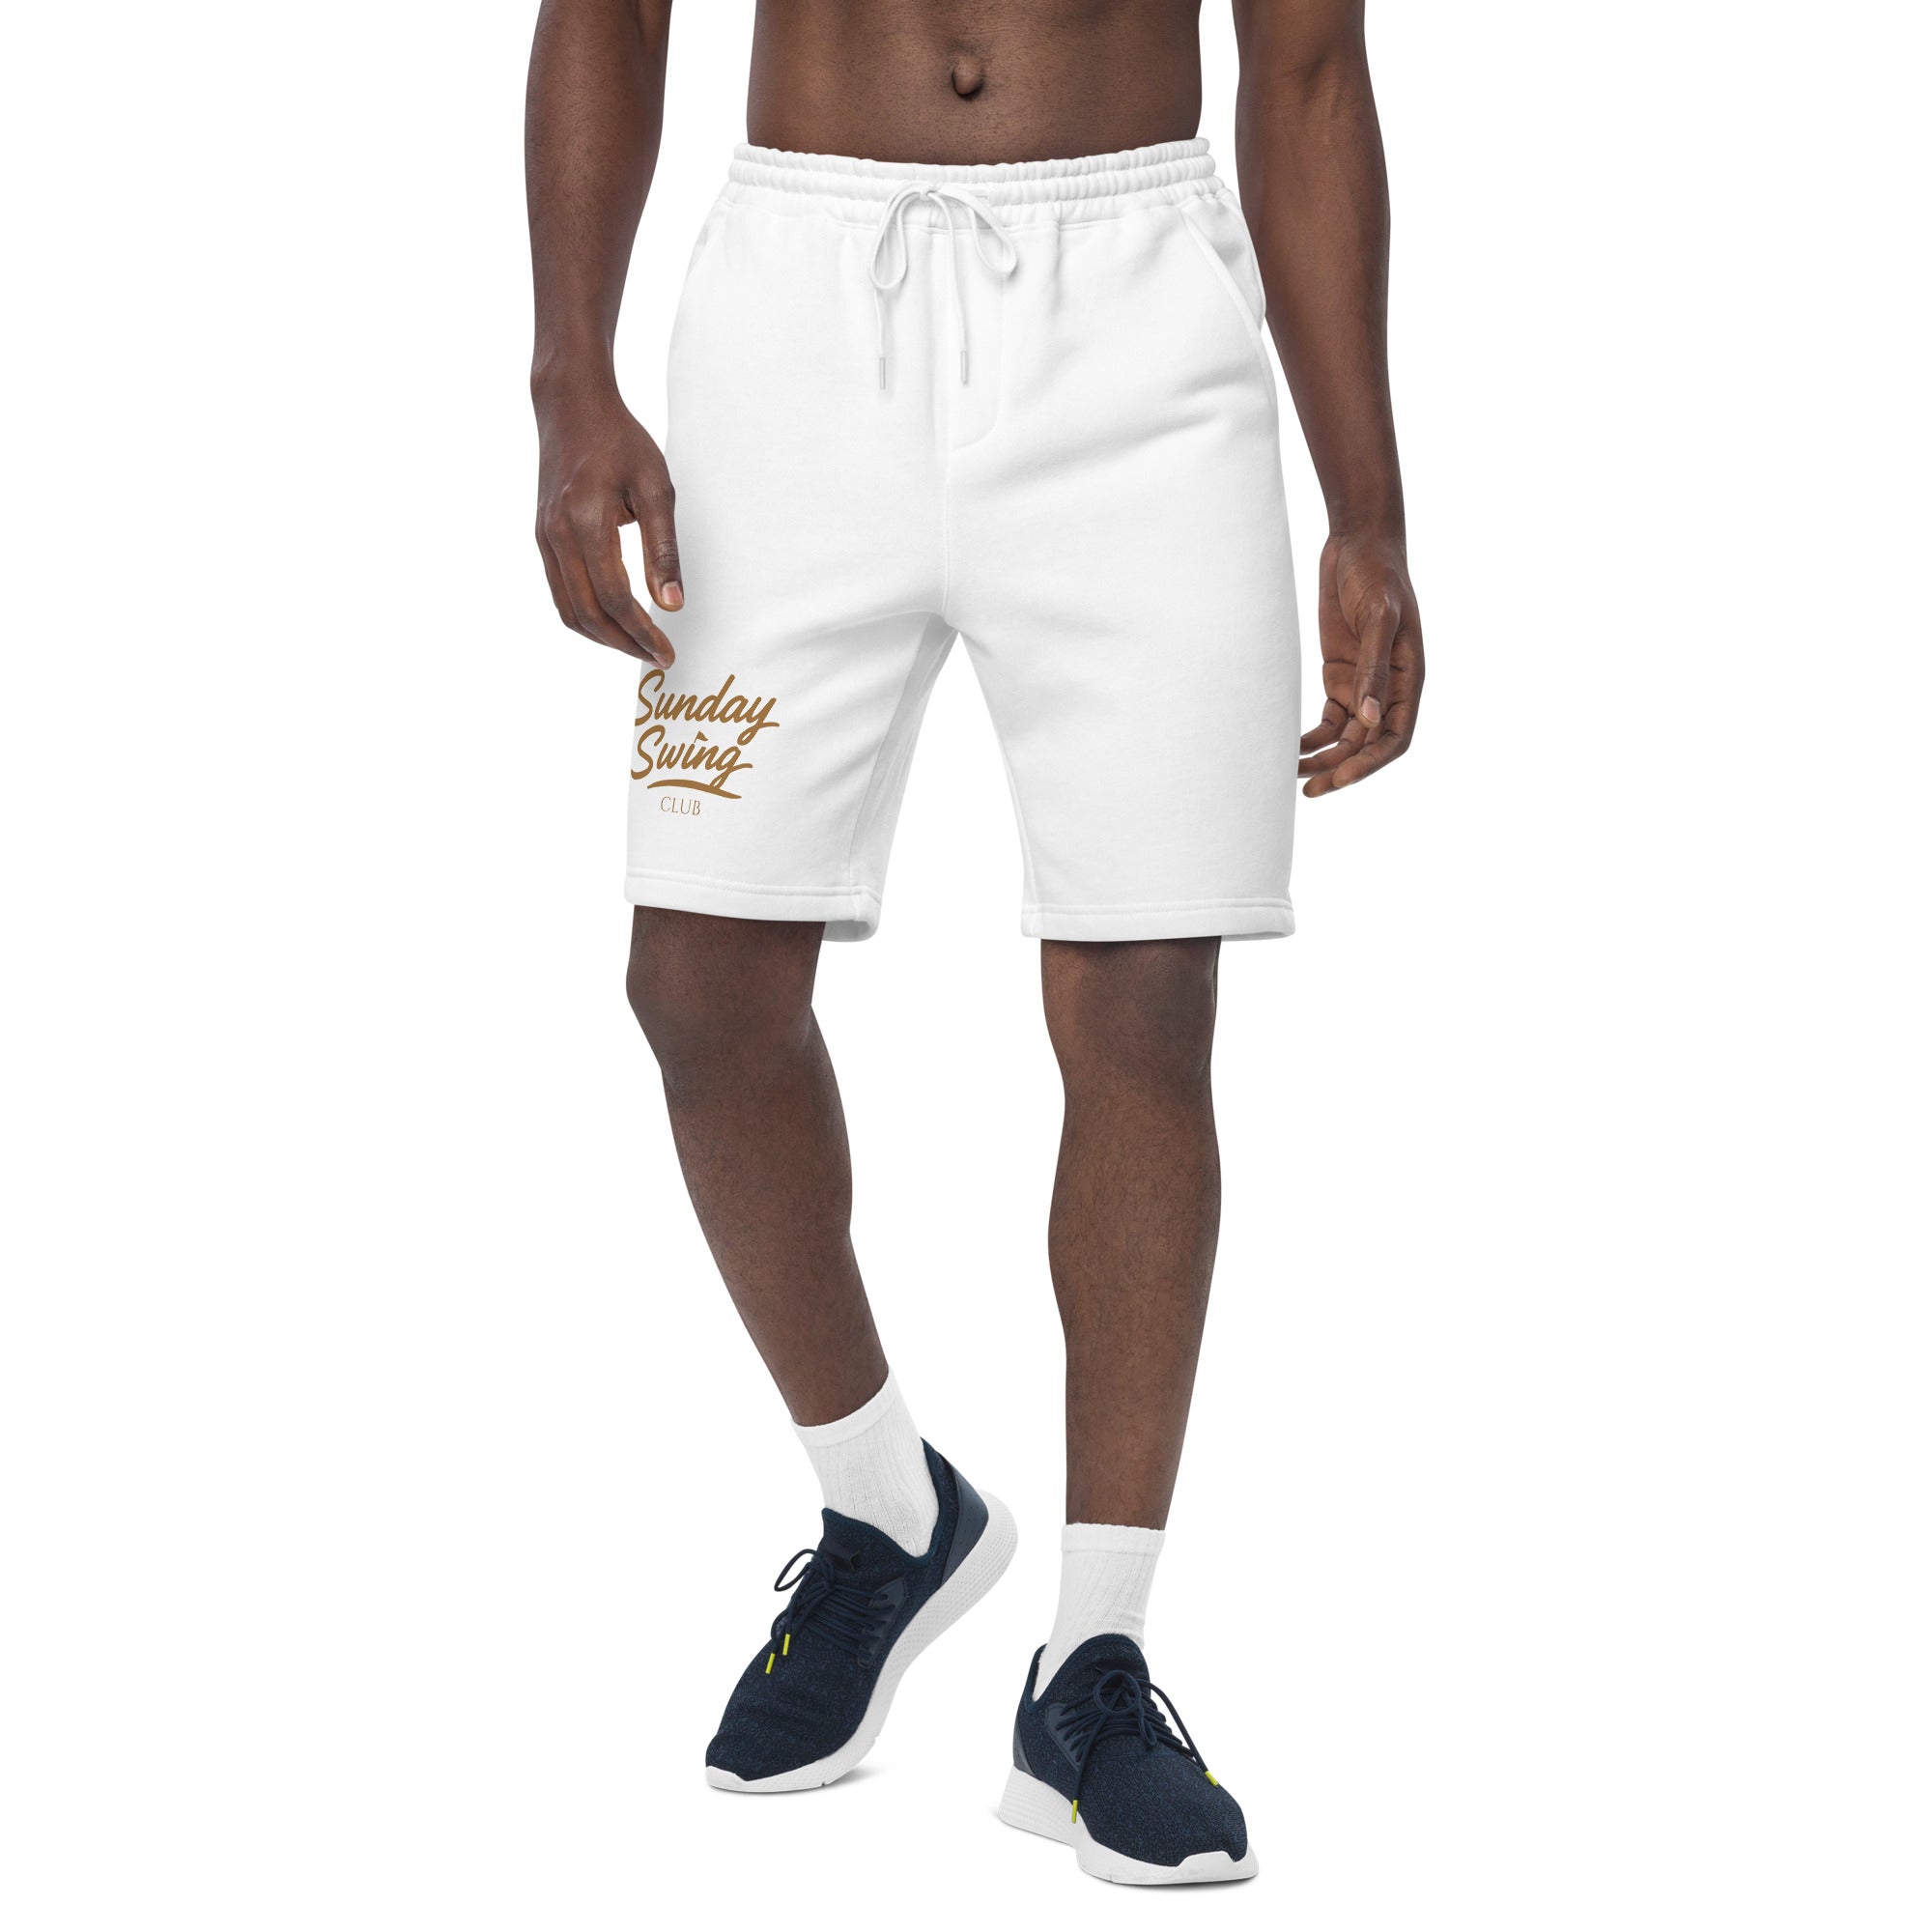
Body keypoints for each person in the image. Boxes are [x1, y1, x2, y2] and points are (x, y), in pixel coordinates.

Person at [526, 0, 1423, 1886]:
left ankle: (1092, 1664)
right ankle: (888, 1508)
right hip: (795, 314)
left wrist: (1369, 512)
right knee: (697, 983)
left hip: (1139, 328)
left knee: (1144, 994)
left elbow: (1308, 65)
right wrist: (569, 377)